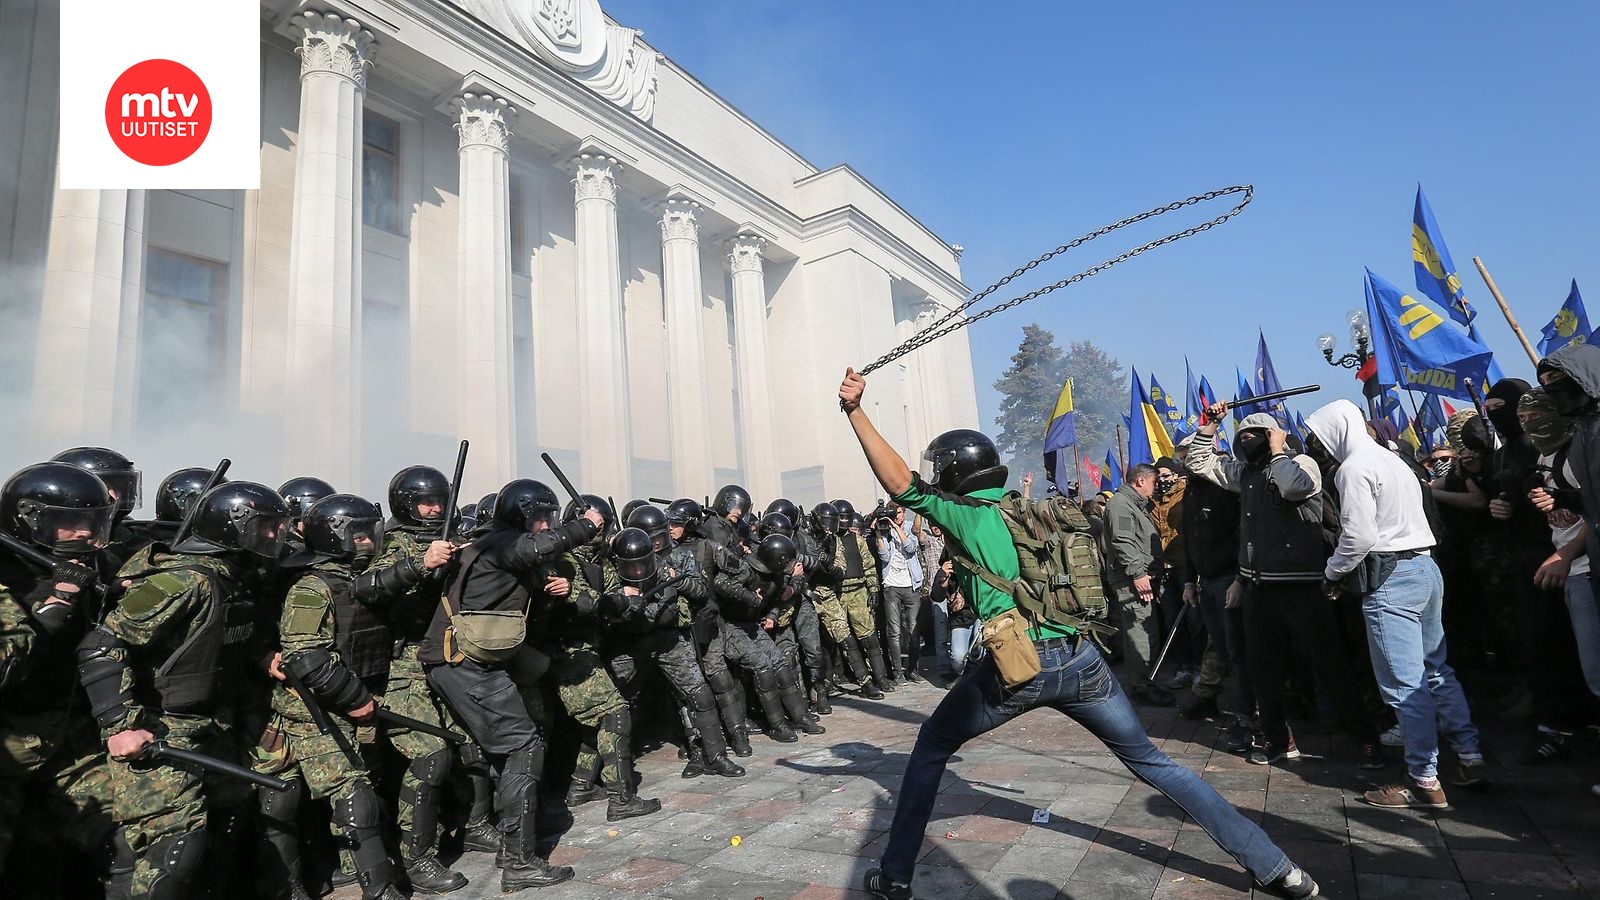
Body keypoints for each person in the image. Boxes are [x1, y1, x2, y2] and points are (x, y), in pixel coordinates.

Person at [837, 368, 1320, 900]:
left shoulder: (967, 517)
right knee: (1154, 762)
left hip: (1018, 665)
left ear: (953, 474)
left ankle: (897, 874)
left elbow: (899, 482)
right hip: (1081, 659)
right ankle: (1279, 869)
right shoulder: (1037, 508)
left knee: (931, 745)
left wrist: (855, 411)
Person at [80, 480, 292, 900]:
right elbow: (102, 645)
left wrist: (260, 654)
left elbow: (213, 635)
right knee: (173, 851)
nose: (275, 536)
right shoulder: (184, 580)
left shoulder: (235, 576)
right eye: (266, 526)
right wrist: (120, 724)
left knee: (230, 824)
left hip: (215, 723)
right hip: (162, 728)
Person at [420, 480, 603, 892]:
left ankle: (508, 842)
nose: (546, 525)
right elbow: (537, 548)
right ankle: (520, 862)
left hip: (465, 658)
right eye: (543, 517)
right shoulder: (503, 544)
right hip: (466, 661)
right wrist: (587, 526)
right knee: (523, 745)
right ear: (525, 514)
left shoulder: (485, 541)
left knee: (501, 747)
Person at [1304, 400, 1487, 809]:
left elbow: (1358, 537)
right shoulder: (1393, 459)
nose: (1316, 443)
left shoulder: (1353, 469)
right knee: (1436, 669)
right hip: (1425, 567)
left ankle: (1423, 779)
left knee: (1406, 685)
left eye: (1318, 434)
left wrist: (1332, 574)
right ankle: (1471, 756)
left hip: (1391, 578)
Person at [1188, 405, 1385, 769]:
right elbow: (1199, 463)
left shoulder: (1301, 463)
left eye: (1255, 435)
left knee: (1330, 666)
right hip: (1260, 588)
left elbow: (1296, 488)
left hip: (1303, 586)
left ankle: (1366, 740)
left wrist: (1278, 451)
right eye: (1241, 437)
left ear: (1273, 436)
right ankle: (1279, 741)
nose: (1247, 442)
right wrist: (1211, 425)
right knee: (1264, 669)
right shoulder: (1242, 472)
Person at [255, 494, 414, 900]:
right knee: (349, 795)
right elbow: (306, 657)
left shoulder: (354, 577)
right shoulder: (311, 588)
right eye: (356, 535)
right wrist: (355, 699)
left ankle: (344, 872)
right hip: (310, 709)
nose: (366, 542)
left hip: (343, 701)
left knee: (352, 791)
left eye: (369, 533)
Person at [1103, 463, 1170, 705]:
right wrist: (1138, 573)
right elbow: (1122, 541)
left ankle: (1146, 680)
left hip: (1139, 577)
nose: (1155, 488)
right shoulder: (1121, 504)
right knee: (1140, 631)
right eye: (1153, 482)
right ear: (1140, 481)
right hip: (1133, 579)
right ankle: (1142, 686)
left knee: (1146, 629)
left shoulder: (1133, 505)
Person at [871, 503, 924, 684]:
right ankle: (897, 672)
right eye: (894, 513)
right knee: (894, 631)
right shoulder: (884, 529)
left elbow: (910, 548)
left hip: (911, 586)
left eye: (899, 512)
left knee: (913, 630)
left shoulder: (910, 528)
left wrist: (896, 528)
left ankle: (913, 669)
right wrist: (879, 534)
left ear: (904, 512)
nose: (897, 516)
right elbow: (884, 556)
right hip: (892, 586)